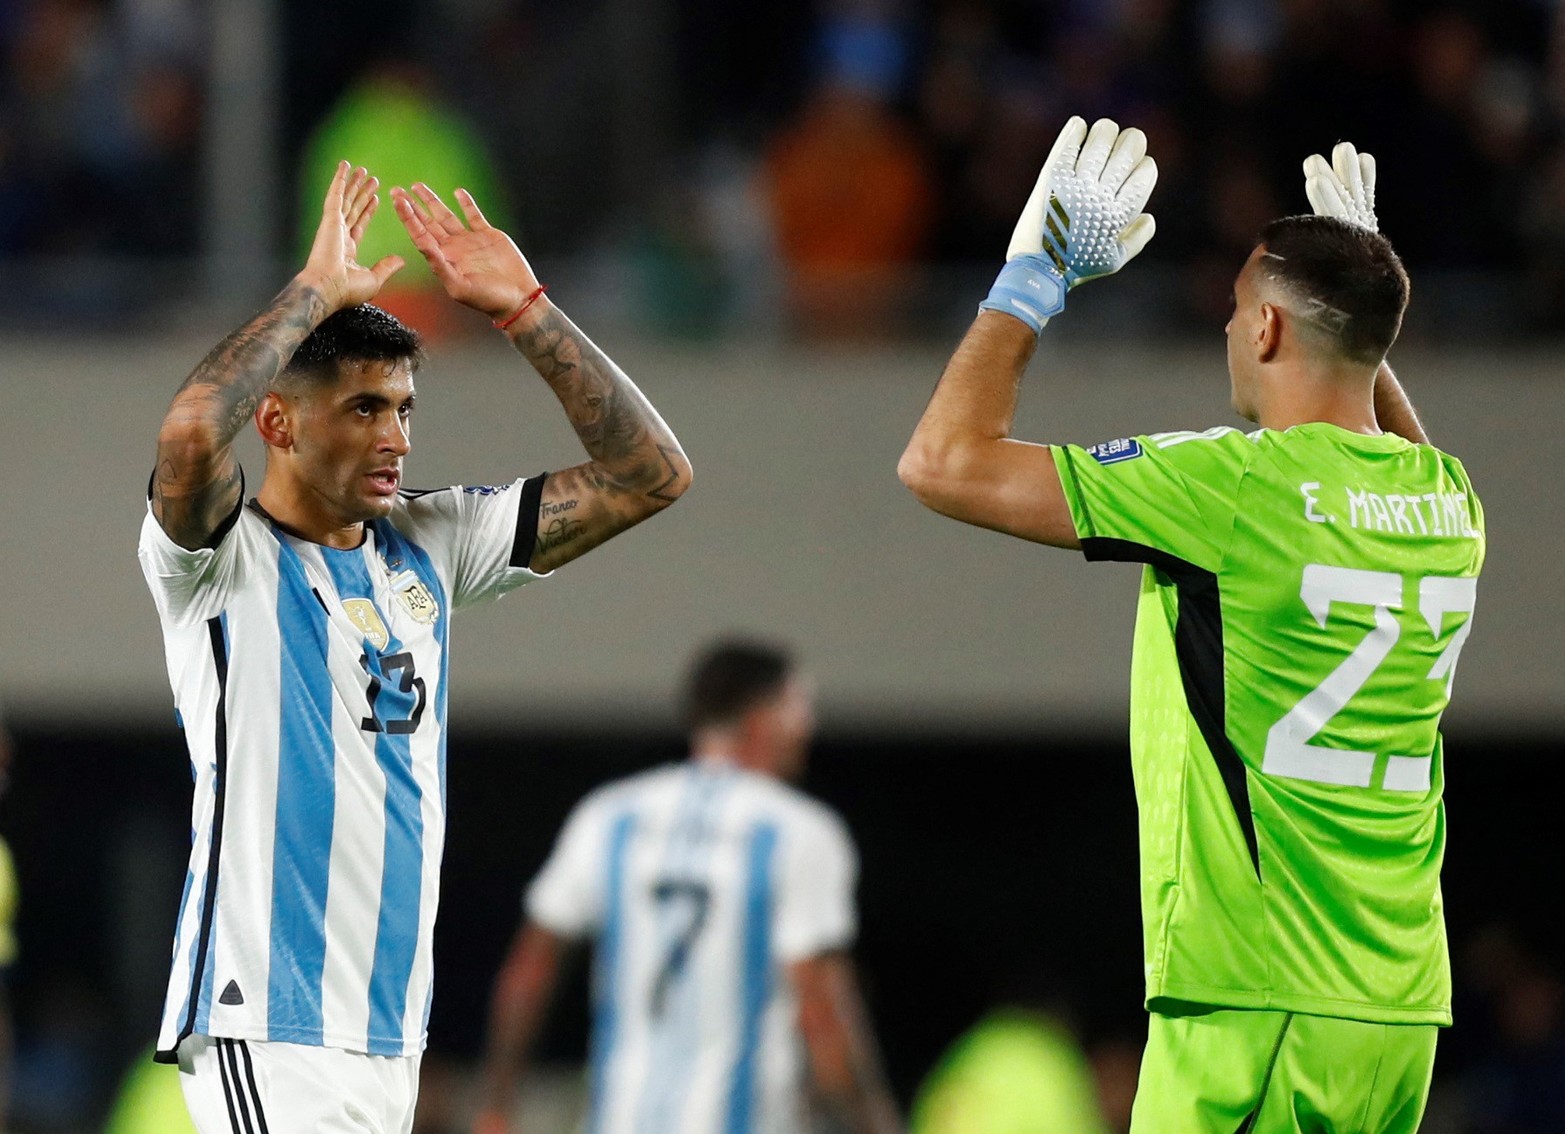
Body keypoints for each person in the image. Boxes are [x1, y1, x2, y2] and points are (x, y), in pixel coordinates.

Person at [898, 119, 1483, 1132]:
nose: (1225, 330)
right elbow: (1385, 440)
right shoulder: (1447, 502)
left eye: (1234, 309)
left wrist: (1032, 275)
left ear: (1265, 331)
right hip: (1396, 1012)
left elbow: (941, 463)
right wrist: (1358, 296)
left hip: (1255, 1002)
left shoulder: (1231, 484)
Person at [138, 161, 691, 1131]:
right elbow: (189, 435)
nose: (395, 436)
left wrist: (527, 312)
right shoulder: (218, 561)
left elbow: (651, 475)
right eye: (363, 408)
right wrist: (313, 294)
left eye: (403, 409)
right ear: (277, 420)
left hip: (389, 1034)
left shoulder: (430, 545)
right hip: (265, 1022)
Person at [471, 640, 902, 1134]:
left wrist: (497, 1103)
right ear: (762, 720)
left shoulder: (610, 816)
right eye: (799, 706)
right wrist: (874, 1122)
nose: (809, 725)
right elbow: (821, 1013)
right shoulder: (798, 832)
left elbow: (529, 969)